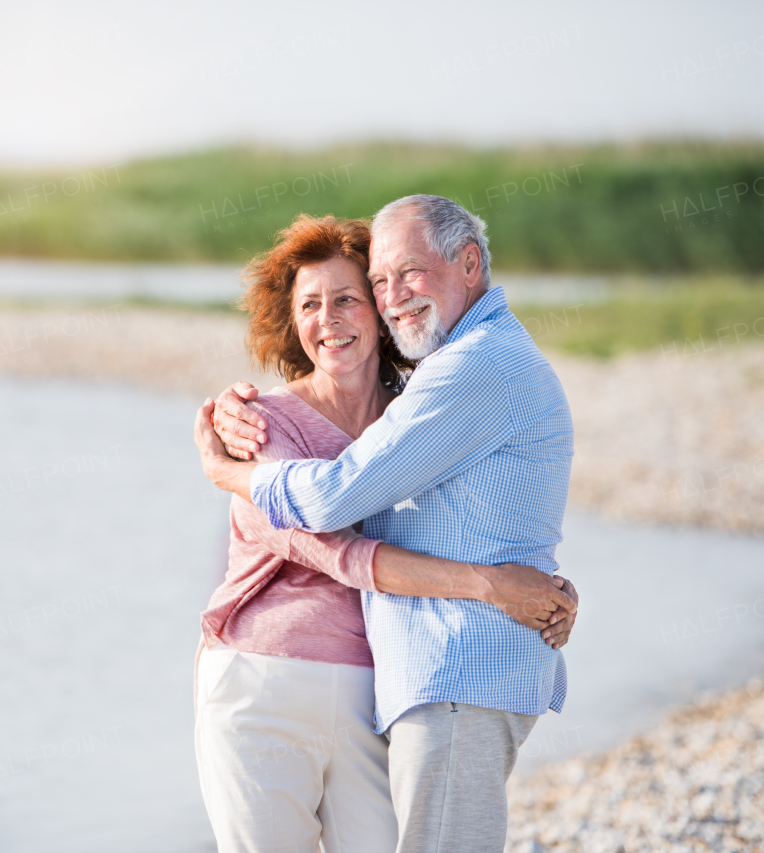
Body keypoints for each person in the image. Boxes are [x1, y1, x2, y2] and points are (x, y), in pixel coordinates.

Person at [199, 195, 578, 853]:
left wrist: (536, 585)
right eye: (309, 305)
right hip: (269, 681)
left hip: (400, 688)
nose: (331, 318)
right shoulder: (264, 423)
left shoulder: (428, 400)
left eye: (351, 296)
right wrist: (494, 583)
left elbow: (361, 500)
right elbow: (333, 549)